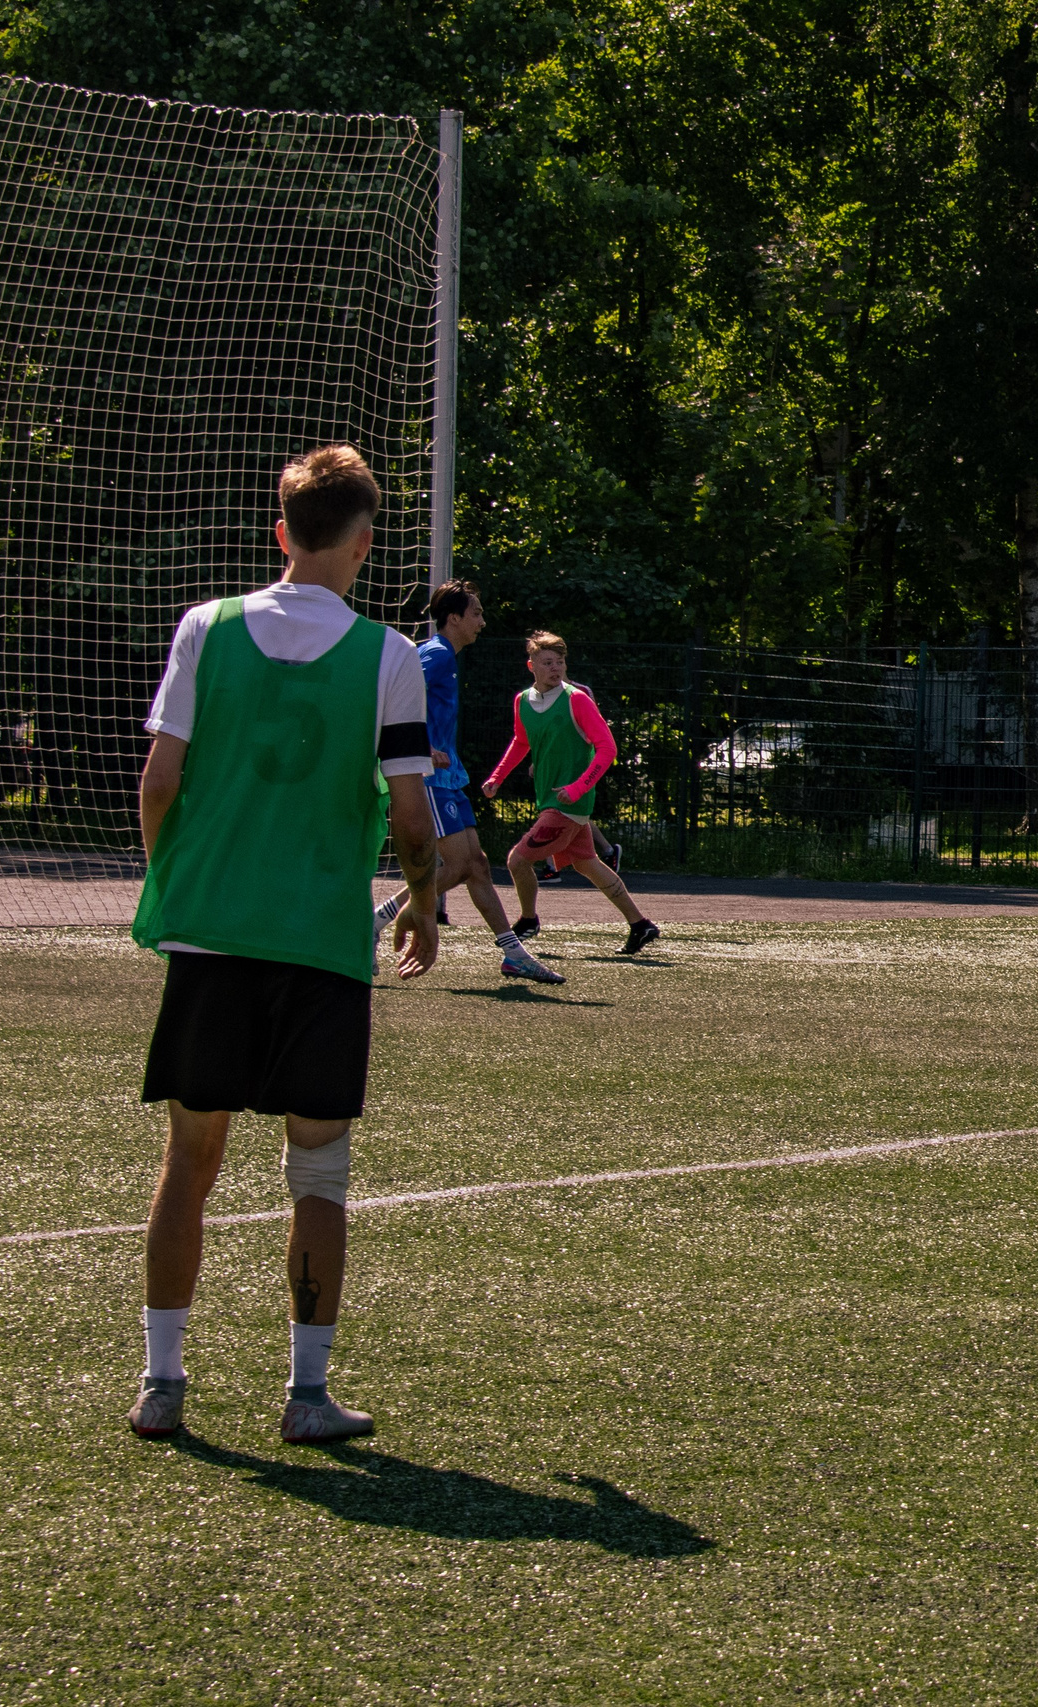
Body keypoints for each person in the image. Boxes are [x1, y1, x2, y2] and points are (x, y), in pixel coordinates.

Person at [126, 444, 443, 1446]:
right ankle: (307, 1397)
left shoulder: (203, 628)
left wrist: (169, 879)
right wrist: (423, 901)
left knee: (189, 1161)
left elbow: (159, 781)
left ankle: (162, 1384)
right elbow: (411, 816)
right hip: (318, 947)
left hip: (211, 938)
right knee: (319, 1173)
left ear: (280, 533)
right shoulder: (388, 655)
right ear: (362, 542)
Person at [372, 581, 563, 984]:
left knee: (475, 865)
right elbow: (393, 695)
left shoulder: (446, 657)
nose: (482, 620)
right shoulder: (437, 655)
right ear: (454, 618)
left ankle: (513, 954)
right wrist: (421, 745)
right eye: (475, 613)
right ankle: (374, 923)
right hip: (429, 778)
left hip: (447, 776)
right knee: (458, 866)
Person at [480, 631, 659, 955]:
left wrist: (578, 788)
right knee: (587, 864)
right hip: (554, 800)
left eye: (560, 662)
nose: (555, 668)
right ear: (531, 665)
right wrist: (497, 777)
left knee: (518, 860)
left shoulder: (577, 699)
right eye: (547, 662)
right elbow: (521, 742)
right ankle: (640, 924)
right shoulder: (523, 701)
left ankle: (528, 919)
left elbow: (607, 749)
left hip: (568, 804)